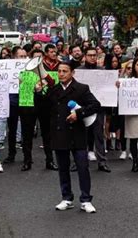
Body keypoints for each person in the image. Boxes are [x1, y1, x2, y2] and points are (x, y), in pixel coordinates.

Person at [45, 61, 100, 213]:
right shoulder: (53, 90)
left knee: (82, 167)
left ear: (72, 73)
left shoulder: (82, 89)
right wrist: (38, 92)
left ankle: (86, 199)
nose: (61, 74)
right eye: (59, 71)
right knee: (63, 168)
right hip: (59, 133)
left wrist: (78, 113)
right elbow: (44, 109)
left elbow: (96, 105)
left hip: (77, 134)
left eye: (65, 71)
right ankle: (67, 198)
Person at [76, 47, 111, 173]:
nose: (92, 57)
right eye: (89, 55)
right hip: (83, 109)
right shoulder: (78, 72)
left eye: (94, 55)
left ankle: (102, 162)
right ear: (85, 56)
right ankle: (78, 162)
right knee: (81, 136)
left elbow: (108, 88)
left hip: (98, 109)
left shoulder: (102, 71)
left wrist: (115, 84)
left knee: (99, 136)